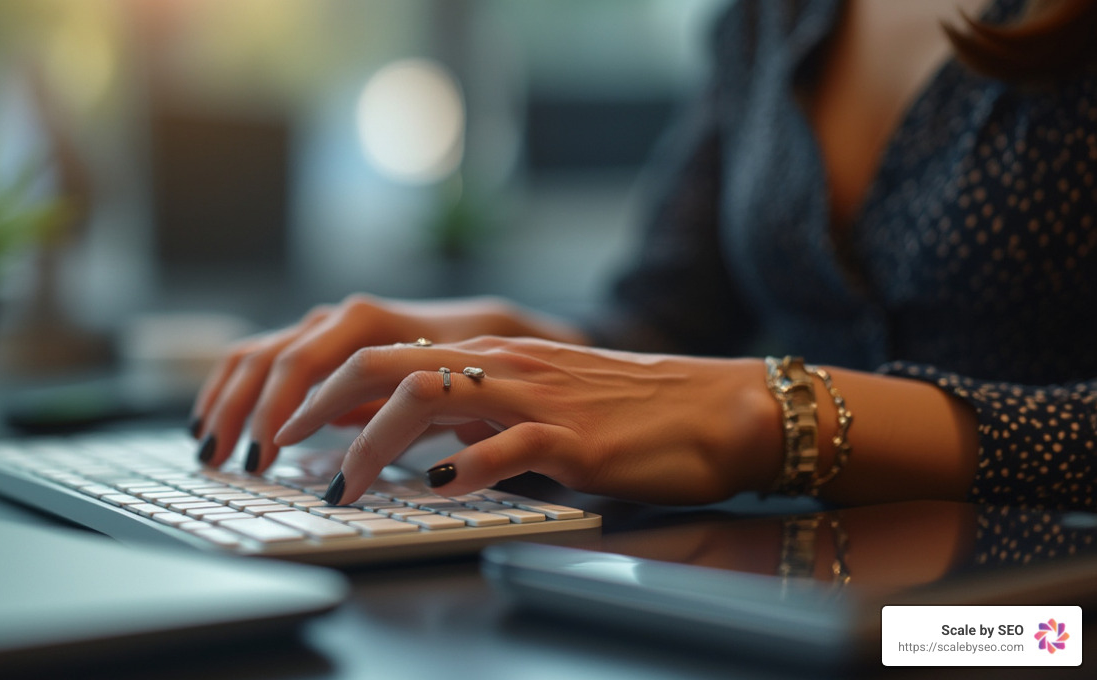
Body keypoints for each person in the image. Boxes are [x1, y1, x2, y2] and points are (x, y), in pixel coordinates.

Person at [189, 0, 1097, 511]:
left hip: (1035, 630)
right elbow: (673, 319)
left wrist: (782, 414)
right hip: (788, 597)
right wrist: (516, 346)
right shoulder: (771, 19)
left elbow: (721, 397)